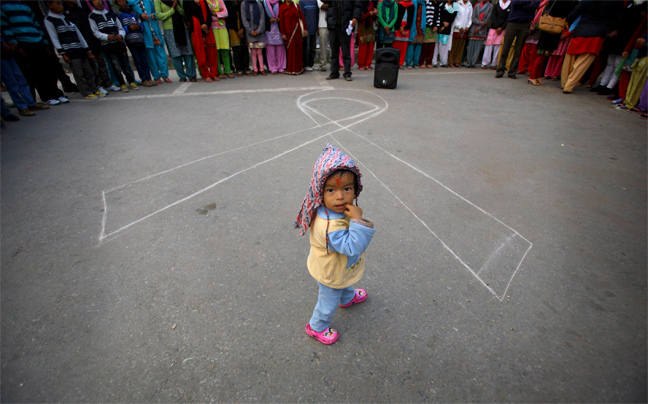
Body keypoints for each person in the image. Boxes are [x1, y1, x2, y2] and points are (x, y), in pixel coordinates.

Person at [295, 143, 375, 345]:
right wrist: (358, 221)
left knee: (344, 281)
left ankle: (347, 298)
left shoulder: (332, 211)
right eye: (331, 190)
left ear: (356, 189)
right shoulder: (331, 225)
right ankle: (317, 326)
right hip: (330, 271)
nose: (340, 196)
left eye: (347, 188)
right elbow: (353, 247)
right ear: (319, 191)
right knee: (328, 300)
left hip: (336, 266)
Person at [1, 0, 69, 105]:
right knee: (34, 73)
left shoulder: (25, 6)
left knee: (48, 70)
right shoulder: (4, 5)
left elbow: (36, 24)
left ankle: (56, 93)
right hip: (23, 43)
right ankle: (46, 97)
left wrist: (45, 42)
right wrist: (16, 46)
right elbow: (6, 28)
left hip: (37, 41)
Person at [44, 0, 104, 99]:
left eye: (61, 4)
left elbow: (79, 34)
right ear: (49, 5)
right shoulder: (49, 20)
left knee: (89, 71)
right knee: (79, 73)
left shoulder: (66, 18)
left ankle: (94, 89)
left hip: (80, 49)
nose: (61, 6)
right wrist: (62, 53)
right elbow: (54, 37)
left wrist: (87, 49)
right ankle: (86, 92)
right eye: (58, 4)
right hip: (70, 51)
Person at [560, 0, 621, 94]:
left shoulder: (587, 1)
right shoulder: (613, 2)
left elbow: (572, 15)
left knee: (570, 58)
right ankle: (569, 85)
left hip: (580, 31)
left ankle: (564, 83)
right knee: (584, 62)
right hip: (597, 34)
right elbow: (615, 18)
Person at [89, 0, 139, 91]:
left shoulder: (112, 15)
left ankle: (131, 81)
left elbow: (120, 28)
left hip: (119, 44)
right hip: (108, 46)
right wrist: (107, 37)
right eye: (95, 1)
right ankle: (122, 83)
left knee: (126, 64)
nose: (98, 2)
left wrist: (121, 35)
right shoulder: (92, 17)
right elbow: (95, 32)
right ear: (91, 3)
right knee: (116, 66)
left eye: (100, 0)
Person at [64, 0, 113, 93]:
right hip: (79, 45)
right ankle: (95, 86)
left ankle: (105, 83)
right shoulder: (66, 13)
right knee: (90, 67)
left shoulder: (81, 9)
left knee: (100, 62)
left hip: (91, 40)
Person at [527, 0, 575, 85]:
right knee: (541, 54)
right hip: (553, 28)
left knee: (545, 54)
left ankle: (537, 76)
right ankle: (533, 76)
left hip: (550, 27)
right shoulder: (569, 2)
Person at [0, 34, 50, 116]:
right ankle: (21, 107)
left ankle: (30, 103)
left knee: (21, 79)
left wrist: (9, 42)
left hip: (8, 53)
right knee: (11, 82)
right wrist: (3, 44)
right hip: (2, 55)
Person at [128, 0, 171, 83]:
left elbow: (155, 12)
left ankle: (165, 75)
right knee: (151, 57)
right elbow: (132, 17)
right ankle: (156, 77)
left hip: (155, 31)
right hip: (145, 33)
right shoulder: (131, 3)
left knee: (161, 55)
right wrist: (141, 16)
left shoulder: (148, 1)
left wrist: (154, 16)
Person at [154, 0, 198, 82]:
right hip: (169, 29)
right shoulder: (158, 1)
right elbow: (159, 16)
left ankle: (191, 75)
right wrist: (172, 9)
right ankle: (182, 76)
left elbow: (185, 13)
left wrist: (177, 6)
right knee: (175, 54)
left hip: (182, 27)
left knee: (188, 52)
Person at [495, 0, 539, 79]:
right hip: (512, 22)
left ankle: (512, 71)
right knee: (505, 48)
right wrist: (529, 1)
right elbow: (515, 2)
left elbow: (535, 5)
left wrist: (521, 4)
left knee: (518, 50)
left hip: (525, 24)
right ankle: (500, 69)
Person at [116, 0, 155, 87]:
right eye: (119, 1)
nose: (122, 3)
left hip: (140, 39)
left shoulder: (134, 12)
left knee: (145, 60)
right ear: (117, 3)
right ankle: (144, 79)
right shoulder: (118, 14)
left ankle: (149, 78)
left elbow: (141, 24)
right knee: (138, 61)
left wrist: (138, 26)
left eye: (123, 1)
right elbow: (120, 28)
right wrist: (129, 28)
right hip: (131, 41)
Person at [322, 0, 363, 81]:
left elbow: (357, 6)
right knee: (334, 51)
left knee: (346, 51)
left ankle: (347, 73)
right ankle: (334, 72)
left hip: (345, 25)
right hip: (333, 25)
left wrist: (355, 17)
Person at [184, 0, 219, 81]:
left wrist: (206, 25)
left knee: (211, 53)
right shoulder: (187, 2)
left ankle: (213, 73)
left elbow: (209, 14)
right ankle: (205, 74)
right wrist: (200, 26)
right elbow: (188, 17)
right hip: (196, 30)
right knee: (201, 53)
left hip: (207, 29)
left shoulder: (203, 1)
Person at [205, 0, 233, 79]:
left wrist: (215, 13)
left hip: (222, 27)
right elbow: (209, 15)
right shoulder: (206, 2)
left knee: (225, 50)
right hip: (213, 28)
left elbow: (226, 13)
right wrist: (219, 14)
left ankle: (228, 70)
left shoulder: (220, 1)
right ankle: (219, 71)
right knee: (215, 51)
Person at [280, 0, 307, 75]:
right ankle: (291, 69)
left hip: (297, 32)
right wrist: (283, 33)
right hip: (288, 33)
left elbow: (302, 17)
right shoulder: (282, 7)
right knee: (290, 51)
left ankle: (299, 68)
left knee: (298, 50)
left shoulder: (296, 6)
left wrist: (305, 28)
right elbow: (281, 21)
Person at [481, 0, 510, 70]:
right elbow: (493, 16)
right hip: (494, 28)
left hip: (503, 29)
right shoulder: (497, 5)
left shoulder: (510, 5)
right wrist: (497, 27)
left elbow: (508, 18)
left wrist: (502, 27)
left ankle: (494, 63)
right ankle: (484, 63)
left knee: (498, 47)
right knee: (489, 46)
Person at [241, 0, 266, 76]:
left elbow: (262, 18)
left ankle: (261, 68)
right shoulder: (243, 4)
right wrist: (250, 31)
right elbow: (244, 19)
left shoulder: (259, 4)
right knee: (253, 52)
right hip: (250, 32)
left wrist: (258, 30)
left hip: (259, 32)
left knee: (259, 51)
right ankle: (255, 69)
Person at [224, 0, 249, 75]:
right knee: (236, 49)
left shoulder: (242, 2)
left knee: (244, 48)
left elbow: (245, 16)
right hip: (232, 28)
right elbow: (228, 19)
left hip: (243, 27)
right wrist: (236, 30)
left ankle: (245, 68)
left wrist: (242, 29)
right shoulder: (227, 3)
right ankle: (238, 68)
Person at [465, 0, 491, 68]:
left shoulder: (490, 7)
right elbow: (473, 17)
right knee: (471, 47)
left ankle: (473, 62)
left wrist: (480, 27)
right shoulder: (477, 6)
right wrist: (480, 23)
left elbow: (487, 19)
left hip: (482, 30)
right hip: (474, 28)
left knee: (478, 47)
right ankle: (468, 62)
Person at [431, 0, 457, 68]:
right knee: (436, 45)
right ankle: (434, 61)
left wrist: (445, 25)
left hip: (447, 29)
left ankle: (443, 62)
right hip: (439, 26)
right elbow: (438, 15)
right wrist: (442, 24)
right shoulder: (441, 4)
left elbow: (452, 18)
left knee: (444, 45)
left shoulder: (455, 6)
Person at [264, 0, 286, 74]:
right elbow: (262, 16)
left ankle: (281, 67)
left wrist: (279, 18)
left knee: (280, 50)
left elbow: (284, 15)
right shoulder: (264, 3)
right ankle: (273, 68)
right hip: (269, 30)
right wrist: (268, 20)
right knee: (270, 50)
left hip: (278, 29)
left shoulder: (280, 3)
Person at [448, 0, 471, 68]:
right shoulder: (457, 4)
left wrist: (467, 26)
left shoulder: (470, 5)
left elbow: (470, 18)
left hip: (464, 29)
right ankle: (451, 61)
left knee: (460, 46)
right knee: (453, 46)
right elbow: (455, 17)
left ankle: (457, 61)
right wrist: (459, 26)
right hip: (456, 28)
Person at [405, 0, 425, 68]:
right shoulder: (412, 3)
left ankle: (416, 62)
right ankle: (408, 62)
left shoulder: (423, 4)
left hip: (421, 27)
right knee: (411, 44)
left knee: (419, 45)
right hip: (413, 26)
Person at [357, 0, 377, 70]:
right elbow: (359, 17)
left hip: (370, 26)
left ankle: (368, 64)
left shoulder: (371, 3)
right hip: (362, 26)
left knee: (370, 46)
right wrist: (369, 14)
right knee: (363, 46)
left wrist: (375, 13)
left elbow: (374, 17)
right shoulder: (359, 3)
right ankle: (361, 64)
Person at [418, 0, 438, 67]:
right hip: (427, 26)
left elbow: (438, 15)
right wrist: (432, 25)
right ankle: (421, 62)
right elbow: (428, 15)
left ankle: (428, 62)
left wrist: (437, 26)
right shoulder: (428, 3)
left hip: (434, 27)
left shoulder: (438, 3)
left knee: (431, 46)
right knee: (424, 46)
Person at [394, 0, 414, 68]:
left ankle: (401, 63)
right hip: (398, 27)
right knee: (396, 45)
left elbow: (411, 18)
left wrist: (405, 28)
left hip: (406, 28)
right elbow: (396, 17)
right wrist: (400, 27)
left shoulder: (411, 5)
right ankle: (395, 62)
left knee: (404, 46)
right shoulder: (399, 5)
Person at [300, 0, 318, 71]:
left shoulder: (314, 1)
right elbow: (301, 16)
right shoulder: (302, 2)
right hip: (306, 29)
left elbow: (317, 15)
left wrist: (317, 28)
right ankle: (306, 64)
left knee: (312, 48)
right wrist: (304, 28)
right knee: (306, 48)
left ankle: (311, 64)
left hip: (313, 28)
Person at [316, 0, 330, 70]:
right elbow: (322, 6)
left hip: (332, 24)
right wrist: (332, 5)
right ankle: (323, 64)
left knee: (334, 46)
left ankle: (334, 64)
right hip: (322, 25)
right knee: (323, 47)